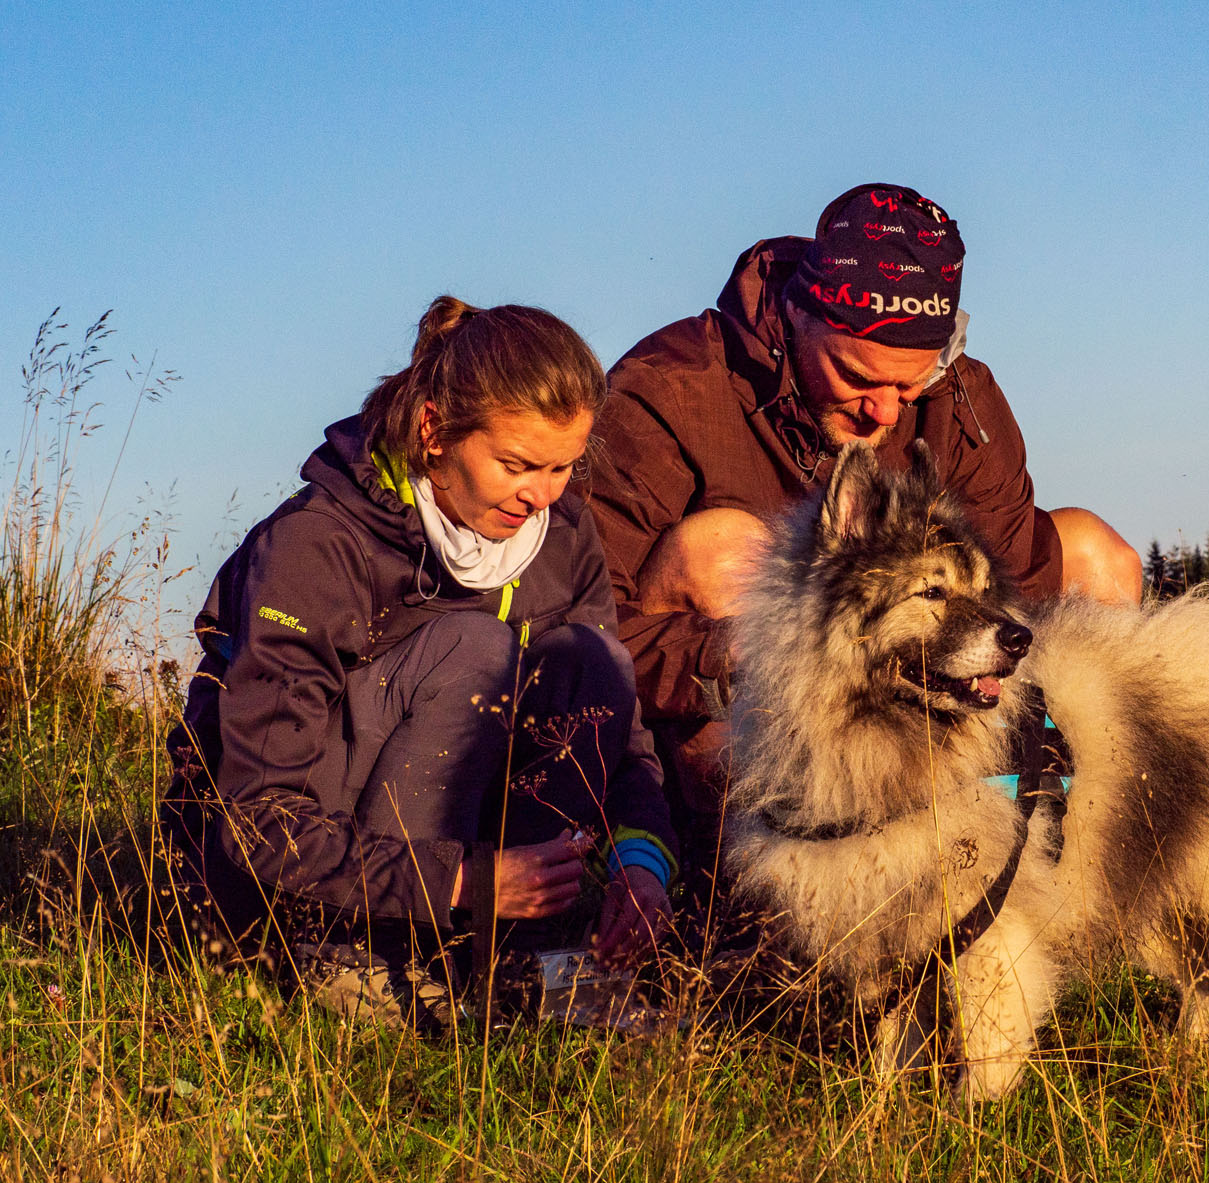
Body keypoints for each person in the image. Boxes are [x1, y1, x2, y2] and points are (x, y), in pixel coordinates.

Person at [586, 183, 1142, 884]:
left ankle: (1089, 846)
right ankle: (738, 881)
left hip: (917, 707)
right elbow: (589, 621)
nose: (881, 414)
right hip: (750, 708)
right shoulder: (670, 389)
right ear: (800, 310)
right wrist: (765, 653)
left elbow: (1019, 583)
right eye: (856, 376)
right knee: (728, 548)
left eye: (907, 391)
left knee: (1094, 553)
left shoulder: (961, 393)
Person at [164, 297, 677, 1029]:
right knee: (473, 646)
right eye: (517, 464)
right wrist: (465, 879)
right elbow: (256, 822)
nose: (543, 496)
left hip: (473, 880)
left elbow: (616, 734)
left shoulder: (561, 534)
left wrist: (642, 865)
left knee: (592, 660)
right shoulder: (317, 545)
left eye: (564, 466)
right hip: (280, 890)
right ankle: (361, 960)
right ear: (434, 431)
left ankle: (524, 967)